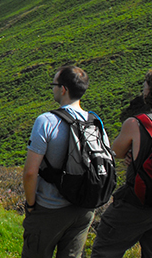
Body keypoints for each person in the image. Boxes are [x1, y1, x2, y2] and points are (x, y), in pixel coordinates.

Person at [21, 65, 97, 258]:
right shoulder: (95, 121)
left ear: (63, 89)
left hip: (51, 207)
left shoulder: (46, 121)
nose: (53, 88)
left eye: (54, 84)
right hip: (84, 209)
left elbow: (30, 172)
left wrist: (31, 205)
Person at [91, 68, 152, 257]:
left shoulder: (137, 123)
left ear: (151, 91)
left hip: (135, 203)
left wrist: (132, 151)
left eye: (145, 86)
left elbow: (116, 151)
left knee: (105, 250)